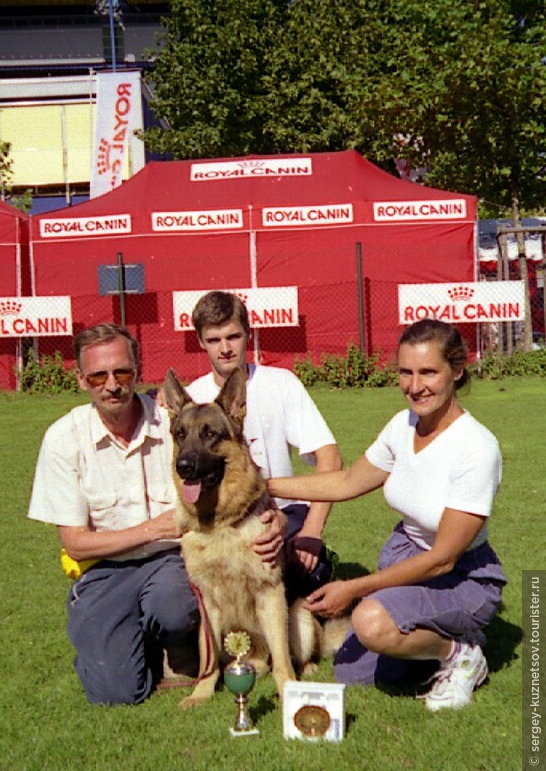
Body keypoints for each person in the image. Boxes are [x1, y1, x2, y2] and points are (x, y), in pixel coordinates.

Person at [267, 318, 507, 711]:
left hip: (461, 576)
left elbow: (442, 558)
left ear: (457, 371)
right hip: (407, 557)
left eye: (428, 372)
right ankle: (433, 640)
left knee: (370, 622)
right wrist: (266, 486)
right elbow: (345, 483)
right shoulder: (403, 425)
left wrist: (355, 588)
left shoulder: (477, 448)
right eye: (405, 372)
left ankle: (460, 655)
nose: (415, 386)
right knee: (351, 673)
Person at [28, 323, 201, 705]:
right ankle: (119, 637)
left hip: (170, 560)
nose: (112, 385)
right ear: (81, 379)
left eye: (122, 372)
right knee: (116, 693)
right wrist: (153, 527)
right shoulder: (63, 439)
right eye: (98, 375)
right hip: (105, 570)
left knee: (174, 607)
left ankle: (175, 642)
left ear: (138, 370)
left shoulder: (173, 421)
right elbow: (75, 544)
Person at [185, 290, 342, 601]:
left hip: (282, 509)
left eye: (233, 336)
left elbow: (331, 460)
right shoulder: (193, 398)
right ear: (201, 342)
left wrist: (311, 532)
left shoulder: (280, 384)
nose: (226, 348)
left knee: (312, 575)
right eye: (214, 340)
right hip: (221, 522)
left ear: (248, 334)